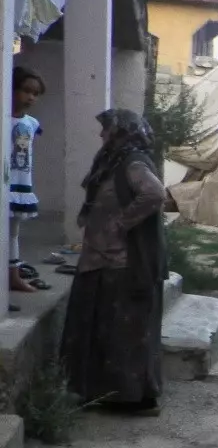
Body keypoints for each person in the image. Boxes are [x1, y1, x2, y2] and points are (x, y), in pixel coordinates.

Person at [60, 109, 167, 414]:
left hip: (123, 263)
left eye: (107, 129)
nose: (101, 134)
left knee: (125, 332)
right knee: (103, 329)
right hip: (103, 259)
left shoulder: (132, 162)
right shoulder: (113, 160)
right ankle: (103, 394)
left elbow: (154, 195)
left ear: (122, 132)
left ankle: (136, 400)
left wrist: (121, 223)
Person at [10, 67, 46, 297]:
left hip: (21, 184)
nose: (31, 97)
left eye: (35, 93)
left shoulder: (32, 123)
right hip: (6, 183)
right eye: (26, 91)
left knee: (13, 232)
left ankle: (13, 276)